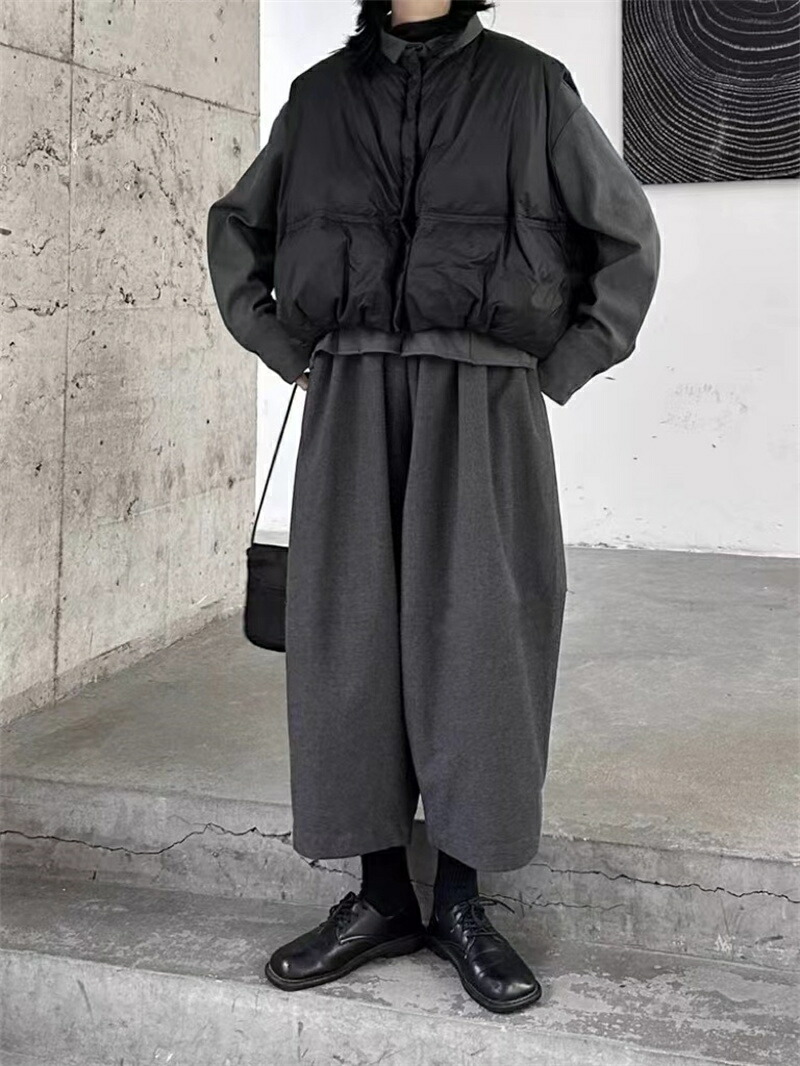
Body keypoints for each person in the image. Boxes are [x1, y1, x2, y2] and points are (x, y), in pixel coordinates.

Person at [206, 0, 660, 1014]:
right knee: (350, 637)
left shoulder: (529, 86)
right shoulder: (321, 97)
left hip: (485, 394)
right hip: (353, 389)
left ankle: (460, 899)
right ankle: (379, 897)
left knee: (482, 638)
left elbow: (626, 238)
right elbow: (235, 230)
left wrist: (558, 368)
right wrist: (285, 348)